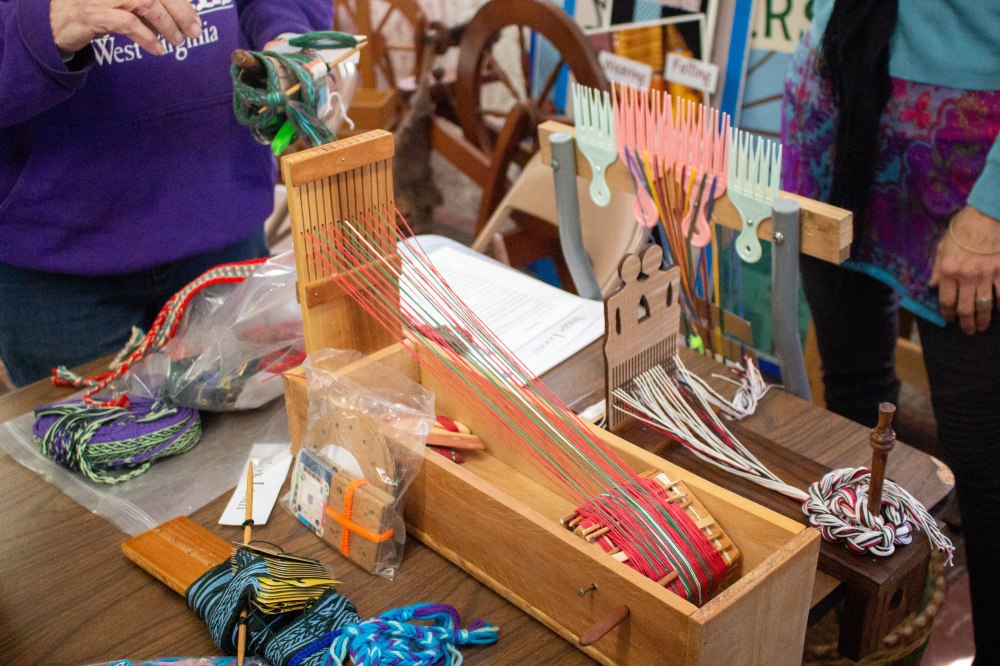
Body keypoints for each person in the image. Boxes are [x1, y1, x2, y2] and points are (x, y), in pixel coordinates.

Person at [782, 1, 1000, 661]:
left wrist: (993, 212)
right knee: (852, 410)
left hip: (966, 155)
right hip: (833, 105)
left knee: (984, 452)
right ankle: (874, 636)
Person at [0, 0, 332, 387]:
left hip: (223, 223)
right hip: (56, 266)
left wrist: (286, 35)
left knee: (249, 441)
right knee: (93, 440)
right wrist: (48, 22)